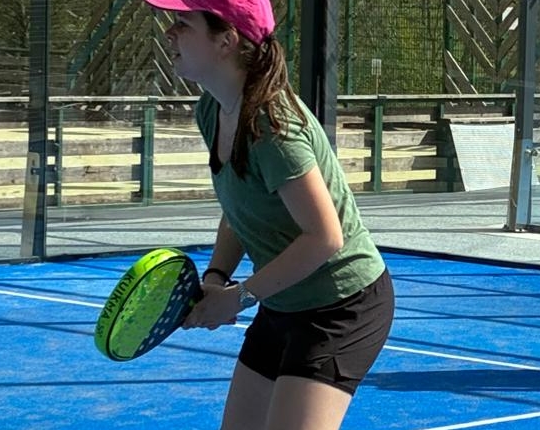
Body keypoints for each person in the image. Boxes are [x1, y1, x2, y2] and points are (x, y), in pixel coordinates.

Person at [146, 0, 395, 428]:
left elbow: (325, 237)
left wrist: (237, 298)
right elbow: (239, 207)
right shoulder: (212, 110)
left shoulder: (274, 128)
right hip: (283, 302)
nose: (170, 32)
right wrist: (216, 278)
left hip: (341, 307)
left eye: (183, 24)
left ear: (225, 41)